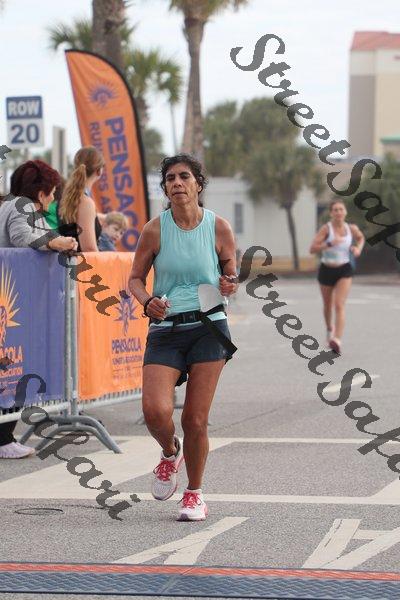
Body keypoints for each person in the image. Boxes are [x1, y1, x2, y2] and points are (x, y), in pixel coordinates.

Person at [129, 154, 238, 521]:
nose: (177, 182)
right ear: (165, 188)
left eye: (184, 176)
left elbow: (230, 271)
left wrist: (229, 282)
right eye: (170, 178)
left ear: (198, 185)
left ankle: (194, 494)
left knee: (195, 419)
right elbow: (134, 279)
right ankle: (169, 451)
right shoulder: (154, 230)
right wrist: (147, 302)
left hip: (209, 326)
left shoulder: (218, 227)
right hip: (167, 329)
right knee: (155, 411)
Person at [0, 160, 77, 459]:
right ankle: (4, 439)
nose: (54, 198)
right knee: (14, 370)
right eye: (53, 192)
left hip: (13, 301)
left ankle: (5, 436)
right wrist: (60, 242)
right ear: (42, 192)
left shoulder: (11, 205)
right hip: (16, 303)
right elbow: (23, 238)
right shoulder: (24, 207)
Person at [310, 199, 365, 354]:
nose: (339, 212)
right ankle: (329, 329)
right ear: (331, 213)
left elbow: (361, 238)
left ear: (345, 212)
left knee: (339, 304)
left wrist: (358, 249)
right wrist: (329, 244)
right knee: (327, 305)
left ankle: (337, 340)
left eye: (341, 209)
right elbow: (312, 249)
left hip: (344, 269)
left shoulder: (351, 228)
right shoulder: (326, 229)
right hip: (326, 270)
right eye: (335, 210)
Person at [58, 146, 105, 251]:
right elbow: (89, 249)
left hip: (68, 259)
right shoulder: (85, 202)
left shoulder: (67, 197)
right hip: (81, 261)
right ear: (99, 171)